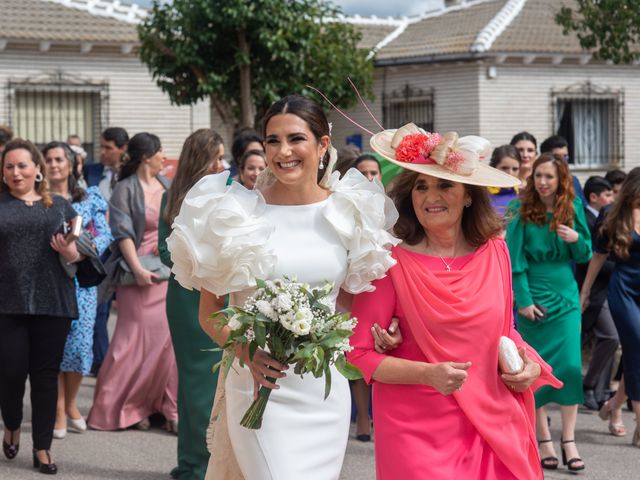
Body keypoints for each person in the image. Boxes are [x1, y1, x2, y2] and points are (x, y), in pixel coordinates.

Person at [167, 95, 399, 480]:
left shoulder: (350, 214)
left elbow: (350, 310)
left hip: (323, 393)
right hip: (257, 387)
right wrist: (248, 351)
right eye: (272, 140)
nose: (283, 151)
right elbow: (209, 313)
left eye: (296, 139)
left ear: (323, 145)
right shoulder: (235, 214)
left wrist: (383, 334)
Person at [346, 123, 561, 479]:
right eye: (421, 186)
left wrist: (531, 365)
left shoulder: (496, 252)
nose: (431, 196)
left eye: (445, 184)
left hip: (492, 421)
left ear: (468, 196)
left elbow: (505, 331)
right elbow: (359, 353)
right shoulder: (388, 262)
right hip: (415, 432)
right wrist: (427, 374)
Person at [505, 153, 592, 472]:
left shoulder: (573, 207)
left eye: (549, 177)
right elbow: (514, 260)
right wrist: (523, 301)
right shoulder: (518, 209)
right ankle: (543, 438)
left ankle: (569, 439)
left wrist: (576, 238)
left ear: (561, 180)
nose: (543, 181)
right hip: (533, 294)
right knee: (536, 370)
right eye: (538, 175)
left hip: (565, 294)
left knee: (570, 365)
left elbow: (585, 254)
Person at [1, 138, 82, 474]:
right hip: (7, 303)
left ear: (37, 169)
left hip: (54, 302)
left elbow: (80, 255)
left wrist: (69, 253)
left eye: (22, 165)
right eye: (9, 166)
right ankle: (12, 425)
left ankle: (42, 448)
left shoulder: (60, 206)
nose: (16, 172)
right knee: (11, 373)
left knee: (46, 378)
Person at [88, 133, 178, 432]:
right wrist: (138, 269)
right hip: (134, 273)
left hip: (164, 274)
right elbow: (122, 233)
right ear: (146, 156)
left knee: (163, 345)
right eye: (160, 151)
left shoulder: (167, 186)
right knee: (129, 342)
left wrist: (167, 245)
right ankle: (121, 407)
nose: (164, 155)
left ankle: (157, 406)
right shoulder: (124, 190)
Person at [158, 129, 226, 480]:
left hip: (220, 294)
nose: (222, 164)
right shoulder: (174, 197)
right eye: (216, 157)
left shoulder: (229, 194)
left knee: (213, 385)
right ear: (200, 159)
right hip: (187, 297)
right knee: (195, 384)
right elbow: (165, 250)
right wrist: (204, 262)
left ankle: (202, 461)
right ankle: (195, 465)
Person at [42, 142, 113, 439]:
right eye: (48, 159)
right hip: (46, 282)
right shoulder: (38, 200)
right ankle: (58, 407)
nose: (54, 164)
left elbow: (105, 233)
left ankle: (71, 404)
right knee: (54, 348)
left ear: (71, 165)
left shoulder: (90, 196)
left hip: (81, 283)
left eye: (59, 159)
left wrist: (82, 252)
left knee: (80, 347)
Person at [580, 167, 640, 448]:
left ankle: (614, 405)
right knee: (636, 344)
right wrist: (586, 291)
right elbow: (599, 255)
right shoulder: (613, 213)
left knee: (635, 354)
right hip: (624, 289)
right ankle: (639, 424)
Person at [87, 127, 129, 377]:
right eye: (101, 147)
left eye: (108, 148)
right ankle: (101, 362)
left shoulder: (130, 176)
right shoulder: (91, 171)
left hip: (124, 250)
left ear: (122, 149)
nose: (102, 152)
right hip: (98, 251)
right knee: (98, 309)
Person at [575, 176, 619, 412]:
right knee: (610, 337)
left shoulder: (610, 216)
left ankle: (598, 391)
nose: (612, 199)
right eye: (608, 195)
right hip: (593, 290)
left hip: (609, 290)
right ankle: (589, 384)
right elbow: (590, 257)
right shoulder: (586, 217)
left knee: (611, 340)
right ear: (594, 197)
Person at [540, 135, 585, 204]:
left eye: (565, 156)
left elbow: (583, 206)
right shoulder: (539, 181)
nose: (563, 161)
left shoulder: (573, 180)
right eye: (557, 157)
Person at [487, 145, 521, 216]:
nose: (510, 173)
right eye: (504, 168)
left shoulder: (523, 195)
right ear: (494, 168)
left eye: (515, 169)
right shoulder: (482, 195)